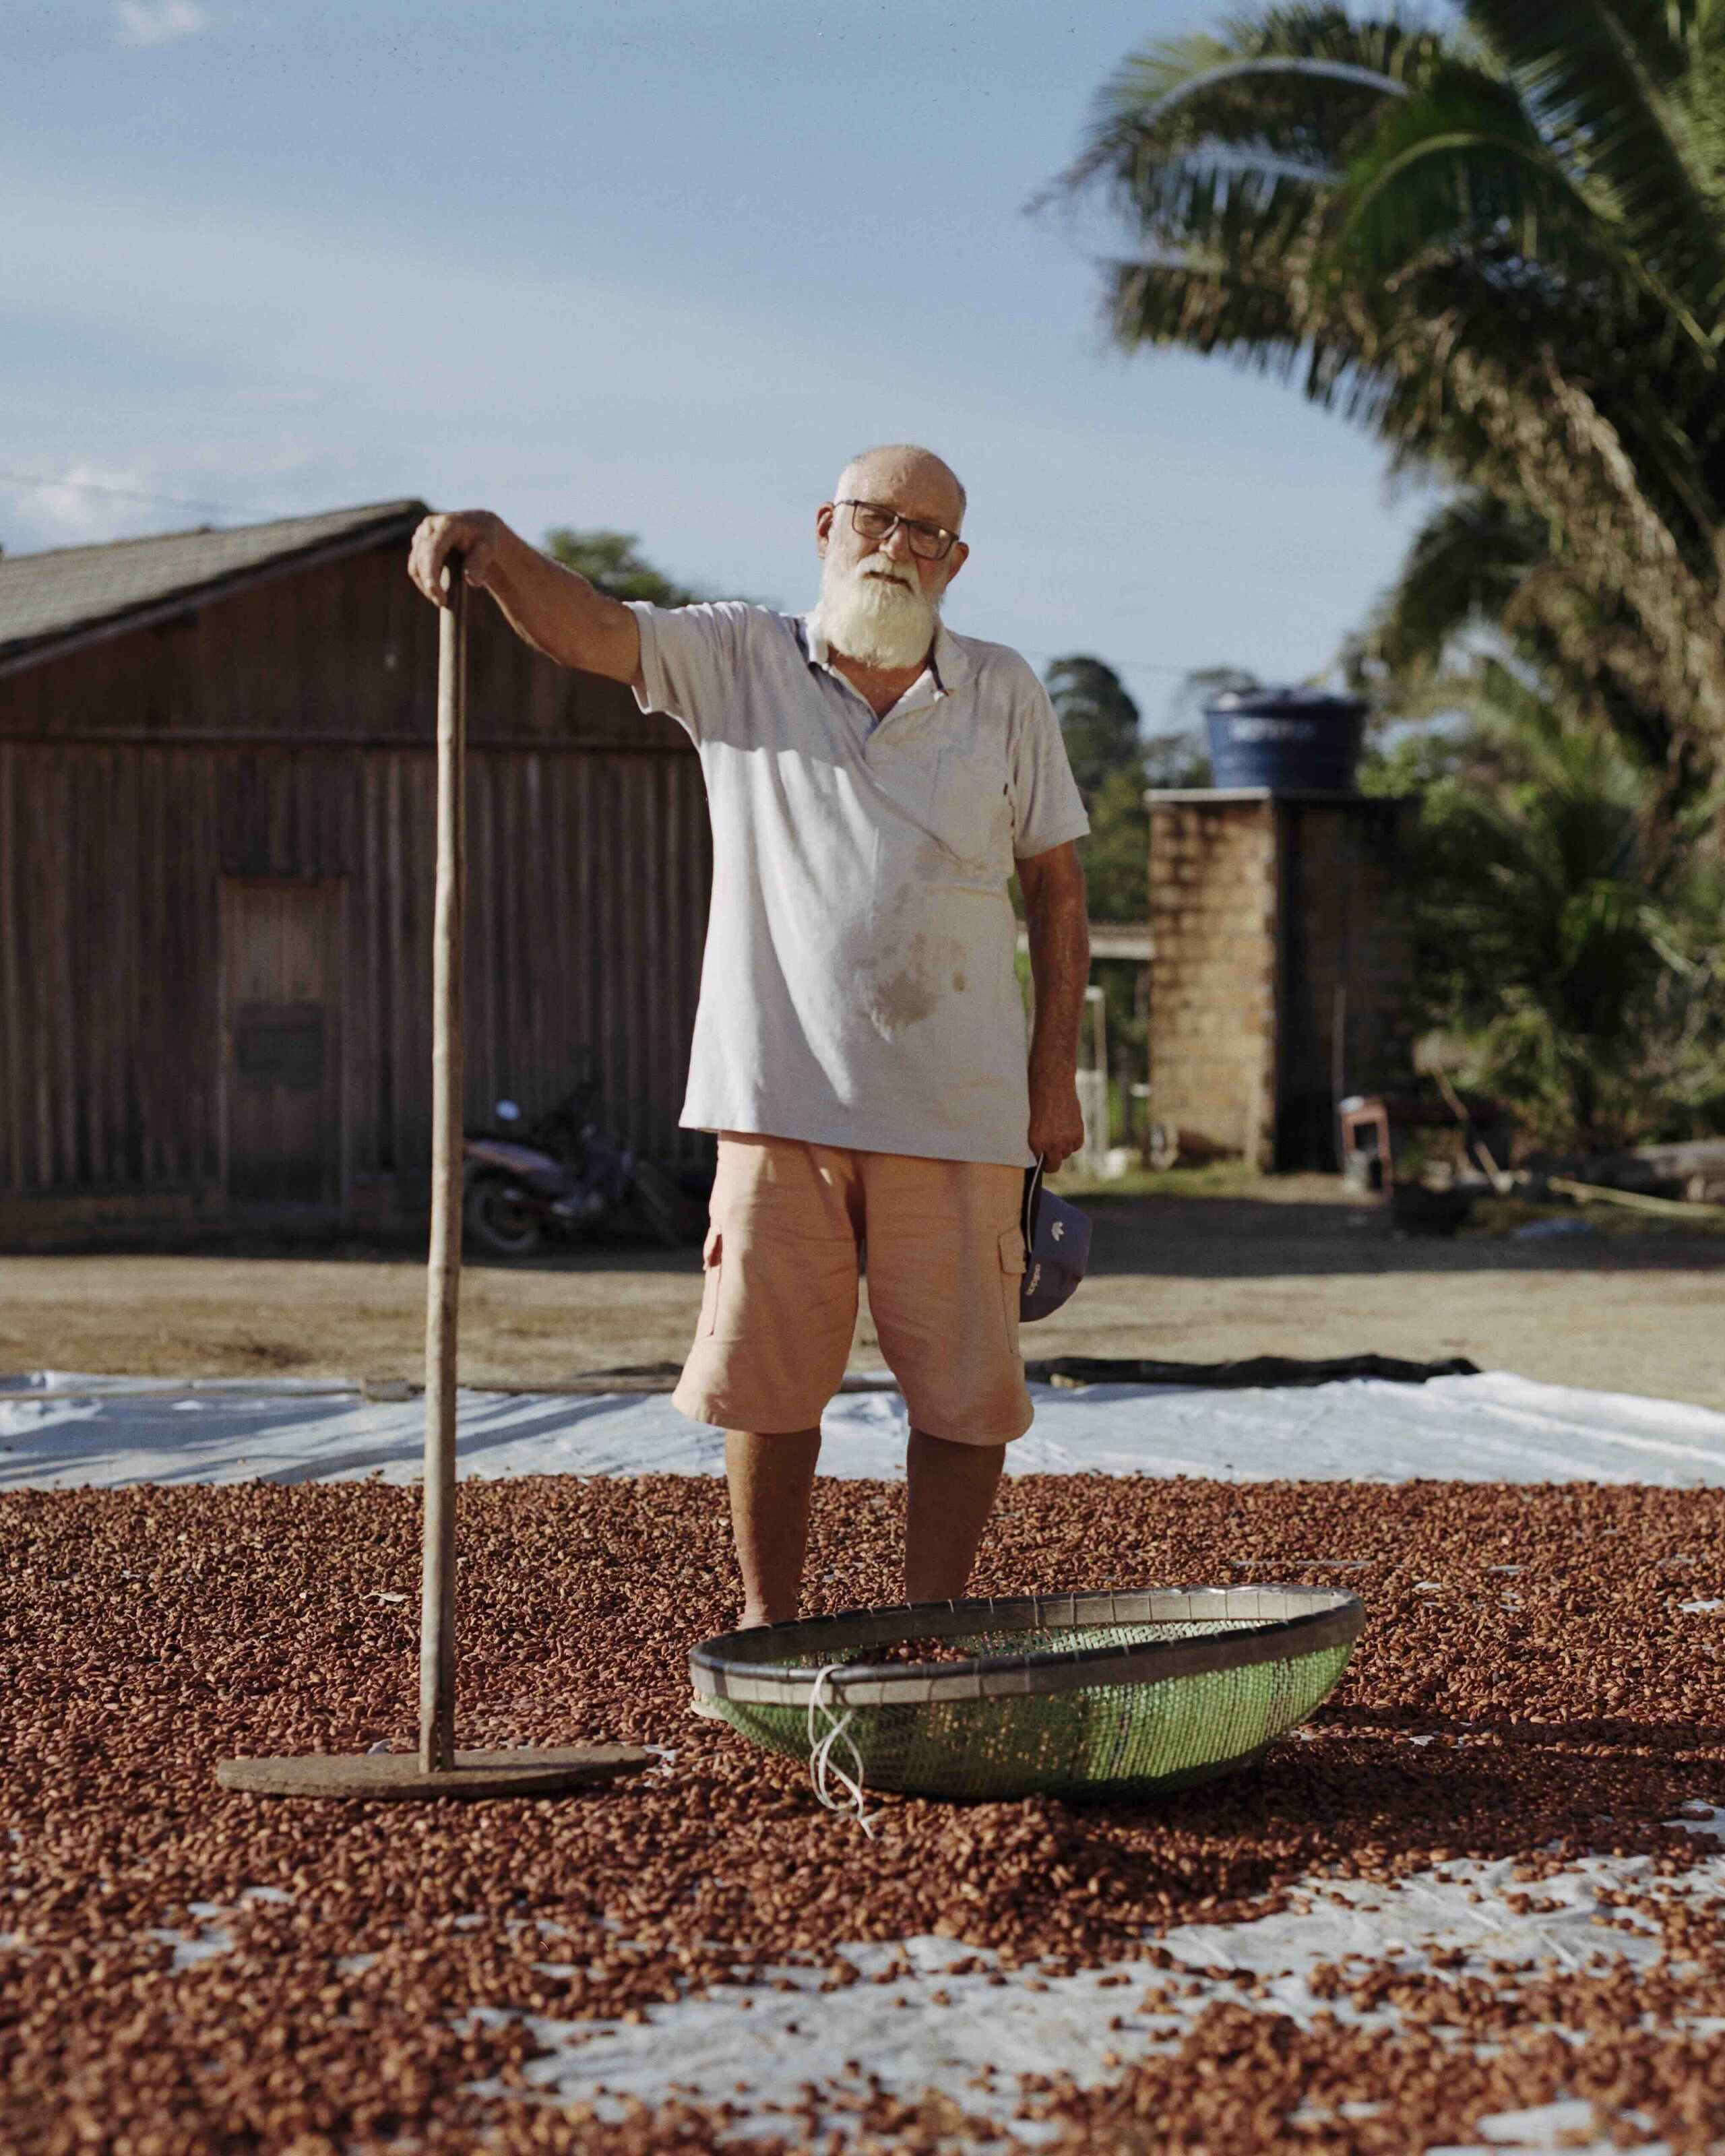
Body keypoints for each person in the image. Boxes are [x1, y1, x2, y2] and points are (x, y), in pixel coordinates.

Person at [408, 445, 1090, 1626]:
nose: (897, 547)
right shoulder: (738, 658)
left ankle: (928, 1628)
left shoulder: (1003, 692)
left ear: (957, 561)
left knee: (968, 1400)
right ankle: (772, 1633)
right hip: (778, 1102)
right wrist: (498, 551)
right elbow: (594, 632)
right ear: (827, 524)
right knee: (769, 1392)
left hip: (965, 1111)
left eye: (928, 533)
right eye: (877, 519)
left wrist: (1053, 1085)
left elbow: (1061, 895)